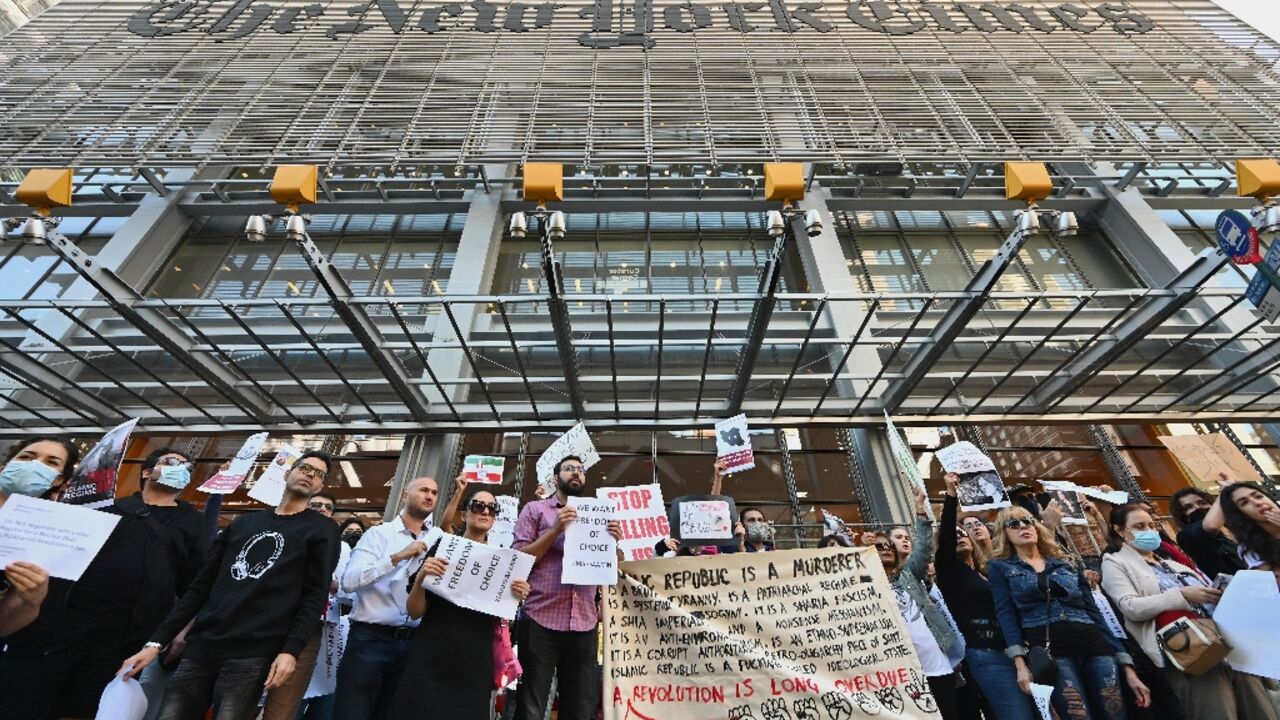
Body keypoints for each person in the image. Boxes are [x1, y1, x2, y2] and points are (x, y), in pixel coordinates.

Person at [118, 451, 341, 720]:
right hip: (202, 645)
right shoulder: (245, 522)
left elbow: (313, 596)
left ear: (320, 486)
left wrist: (290, 651)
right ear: (286, 473)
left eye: (318, 474)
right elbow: (201, 586)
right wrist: (156, 642)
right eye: (305, 467)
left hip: (253, 653)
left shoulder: (322, 530)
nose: (310, 474)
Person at [4, 447, 209, 720]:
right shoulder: (107, 508)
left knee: (89, 703)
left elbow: (194, 582)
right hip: (68, 622)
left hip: (126, 633)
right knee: (34, 695)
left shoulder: (195, 523)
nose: (180, 469)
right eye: (172, 462)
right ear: (146, 472)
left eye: (187, 467)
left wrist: (182, 629)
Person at [1101, 503, 1277, 720]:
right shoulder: (1115, 563)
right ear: (1120, 530)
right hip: (1188, 650)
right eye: (1139, 526)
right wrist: (1182, 596)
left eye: (1151, 524)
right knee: (1216, 710)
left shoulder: (1174, 563)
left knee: (1259, 709)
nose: (1149, 530)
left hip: (1227, 644)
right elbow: (1130, 607)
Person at [986, 506, 1151, 720]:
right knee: (1078, 715)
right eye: (1014, 524)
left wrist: (1127, 666)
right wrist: (1020, 664)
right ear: (1004, 532)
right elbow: (1005, 614)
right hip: (1051, 651)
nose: (1023, 527)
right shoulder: (1001, 568)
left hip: (1093, 643)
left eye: (1027, 521)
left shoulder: (1065, 561)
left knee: (1115, 713)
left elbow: (1095, 612)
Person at [389, 487, 531, 719]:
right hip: (431, 655)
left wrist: (518, 595)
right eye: (478, 506)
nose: (485, 511)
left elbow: (505, 618)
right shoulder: (442, 549)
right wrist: (421, 578)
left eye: (492, 508)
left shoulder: (505, 562)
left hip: (475, 663)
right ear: (464, 515)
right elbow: (414, 612)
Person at [511, 454, 622, 720]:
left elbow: (613, 571)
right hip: (540, 620)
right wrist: (555, 530)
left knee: (580, 707)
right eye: (569, 468)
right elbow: (518, 560)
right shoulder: (535, 510)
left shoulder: (598, 514)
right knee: (531, 706)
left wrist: (614, 544)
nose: (576, 473)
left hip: (584, 624)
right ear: (555, 477)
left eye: (581, 470)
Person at [332, 476, 439, 720]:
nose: (429, 496)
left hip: (414, 644)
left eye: (434, 492)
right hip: (369, 641)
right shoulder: (378, 535)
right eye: (423, 490)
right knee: (352, 713)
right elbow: (348, 582)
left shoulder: (438, 539)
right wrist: (397, 557)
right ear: (404, 495)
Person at [935, 473, 1037, 720]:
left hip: (1019, 651)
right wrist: (951, 497)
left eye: (964, 533)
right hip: (986, 654)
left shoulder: (990, 571)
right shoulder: (950, 571)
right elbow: (947, 535)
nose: (960, 535)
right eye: (957, 533)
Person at [874, 487, 961, 720]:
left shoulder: (909, 574)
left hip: (938, 666)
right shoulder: (868, 586)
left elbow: (923, 549)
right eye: (879, 546)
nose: (886, 549)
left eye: (888, 545)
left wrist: (920, 510)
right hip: (904, 673)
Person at [0, 437, 79, 640]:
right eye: (26, 457)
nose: (35, 465)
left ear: (58, 480)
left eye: (51, 462)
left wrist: (31, 600)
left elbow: (5, 626)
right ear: (5, 466)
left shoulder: (46, 535)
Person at [288, 492, 353, 720]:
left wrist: (330, 582)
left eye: (328, 507)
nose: (322, 509)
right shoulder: (291, 538)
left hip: (325, 629)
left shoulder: (343, 548)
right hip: (287, 622)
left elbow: (348, 588)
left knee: (322, 691)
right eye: (316, 505)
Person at [1170, 483, 1246, 581]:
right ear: (1183, 516)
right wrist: (1224, 494)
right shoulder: (1186, 536)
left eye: (1202, 503)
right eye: (1188, 507)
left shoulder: (1235, 526)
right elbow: (1211, 526)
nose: (1198, 508)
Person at [1216, 482, 1280, 578]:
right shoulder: (1249, 548)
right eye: (1244, 503)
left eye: (1258, 496)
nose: (1258, 503)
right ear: (1241, 514)